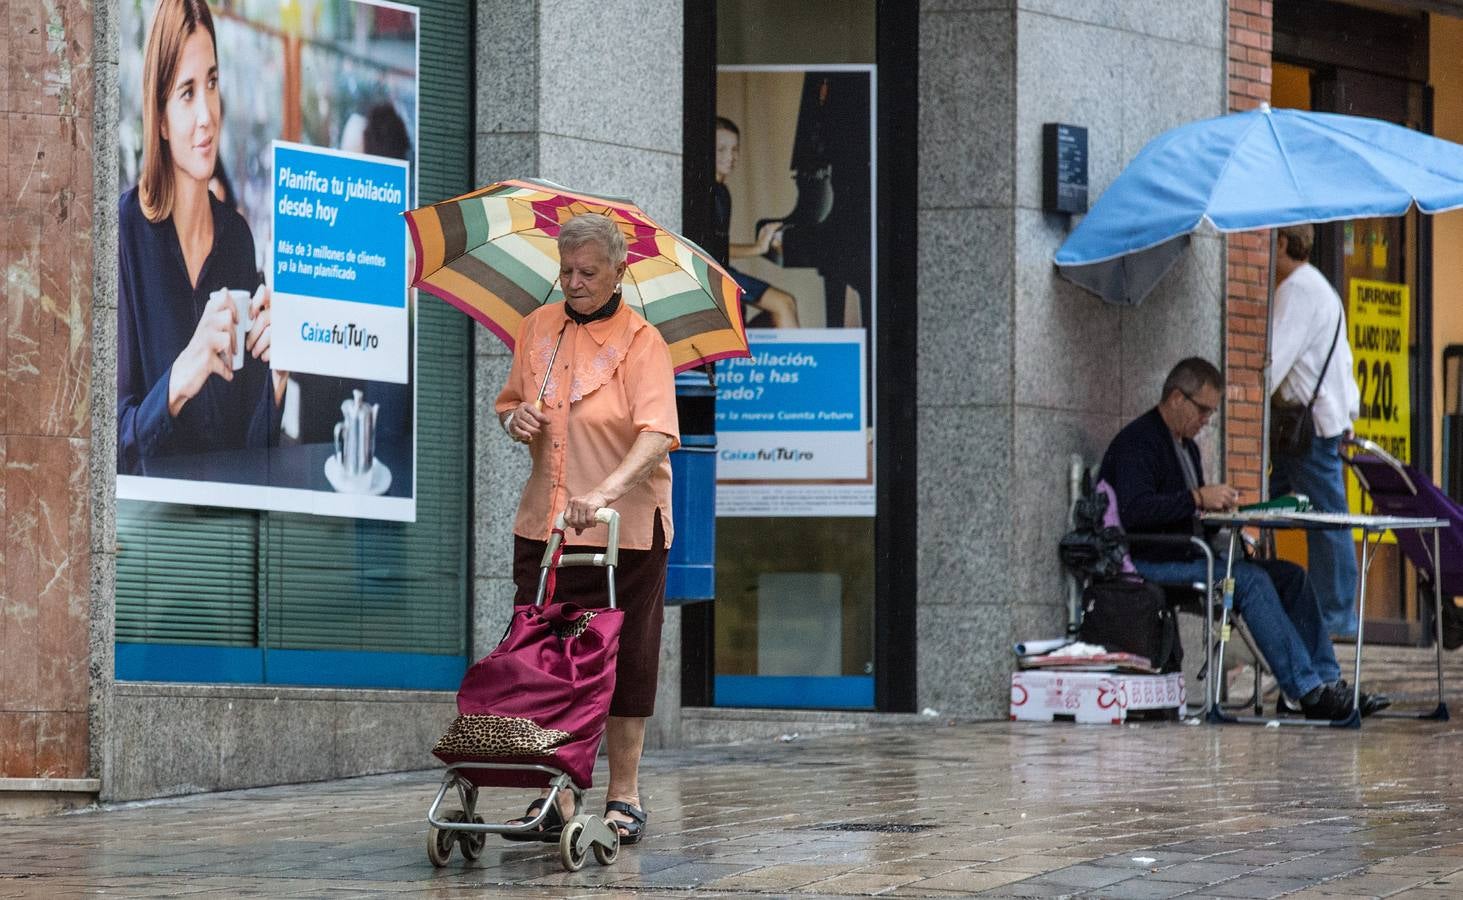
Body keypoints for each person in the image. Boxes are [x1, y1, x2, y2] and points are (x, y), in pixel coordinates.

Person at [495, 213, 679, 845]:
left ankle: (623, 791)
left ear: (619, 272)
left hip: (621, 527)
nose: (572, 283)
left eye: (587, 273)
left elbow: (658, 434)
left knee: (626, 658)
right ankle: (555, 789)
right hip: (545, 524)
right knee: (545, 659)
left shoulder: (642, 342)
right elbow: (515, 403)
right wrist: (515, 419)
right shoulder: (536, 329)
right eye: (566, 271)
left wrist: (603, 492)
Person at [1099, 357, 1386, 719]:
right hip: (1152, 560)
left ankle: (1327, 683)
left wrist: (1223, 513)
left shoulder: (1185, 446)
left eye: (1210, 413)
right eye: (1202, 410)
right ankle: (1308, 691)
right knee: (1249, 581)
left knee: (1292, 576)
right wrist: (1198, 499)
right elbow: (1137, 512)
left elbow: (1189, 514)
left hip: (1191, 551)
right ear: (1176, 398)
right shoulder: (1137, 442)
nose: (1205, 421)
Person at [117, 0, 285, 475]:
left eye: (211, 82)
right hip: (147, 540)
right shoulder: (126, 232)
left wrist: (280, 372)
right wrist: (181, 377)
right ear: (162, 118)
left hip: (223, 539)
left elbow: (249, 454)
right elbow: (110, 444)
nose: (208, 114)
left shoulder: (237, 240)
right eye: (187, 92)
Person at [1268, 224, 1363, 639]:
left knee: (1326, 520)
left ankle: (1336, 616)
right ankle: (1304, 605)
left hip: (1304, 426)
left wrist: (1245, 400)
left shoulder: (1296, 290)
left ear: (1284, 242)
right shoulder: (1322, 287)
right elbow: (1344, 363)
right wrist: (1349, 413)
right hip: (1321, 421)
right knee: (1282, 509)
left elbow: (1275, 359)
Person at [712, 117, 801, 328]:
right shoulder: (712, 192)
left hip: (722, 271)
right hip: (713, 275)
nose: (730, 156)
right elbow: (712, 249)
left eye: (735, 149)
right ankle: (799, 360)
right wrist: (758, 248)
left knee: (779, 311)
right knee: (784, 304)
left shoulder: (721, 191)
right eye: (722, 149)